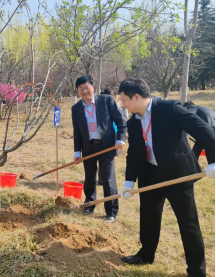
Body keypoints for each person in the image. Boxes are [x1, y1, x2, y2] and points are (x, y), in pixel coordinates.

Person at [118, 78, 215, 277]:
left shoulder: (170, 108)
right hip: (150, 174)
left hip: (177, 174)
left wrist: (213, 161)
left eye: (124, 100)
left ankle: (197, 270)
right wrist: (129, 181)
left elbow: (205, 130)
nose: (123, 104)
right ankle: (146, 254)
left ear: (136, 97)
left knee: (188, 223)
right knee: (148, 217)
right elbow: (135, 153)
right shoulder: (134, 123)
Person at [72, 75, 127, 224]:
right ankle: (89, 205)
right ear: (78, 91)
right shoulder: (76, 108)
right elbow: (77, 132)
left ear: (93, 87)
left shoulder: (106, 101)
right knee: (89, 179)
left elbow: (121, 121)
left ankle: (111, 211)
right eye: (81, 89)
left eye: (87, 87)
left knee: (108, 179)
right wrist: (77, 152)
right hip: (88, 147)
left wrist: (120, 138)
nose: (84, 91)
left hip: (107, 146)